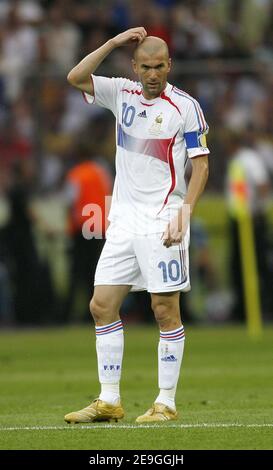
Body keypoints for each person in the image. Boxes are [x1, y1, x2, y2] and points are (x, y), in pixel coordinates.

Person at [64, 27, 210, 424]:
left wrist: (185, 213)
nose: (152, 74)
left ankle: (166, 402)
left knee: (164, 309)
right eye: (145, 66)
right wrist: (111, 43)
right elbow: (75, 77)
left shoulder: (185, 107)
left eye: (159, 66)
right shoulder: (120, 91)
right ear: (134, 66)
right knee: (101, 305)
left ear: (169, 65)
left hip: (163, 219)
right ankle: (109, 400)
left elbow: (201, 166)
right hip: (123, 221)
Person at [63, 140, 112, 322]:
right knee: (95, 272)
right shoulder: (101, 171)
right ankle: (94, 310)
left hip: (82, 227)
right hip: (100, 226)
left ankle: (68, 313)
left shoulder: (76, 174)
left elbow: (70, 200)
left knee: (77, 273)